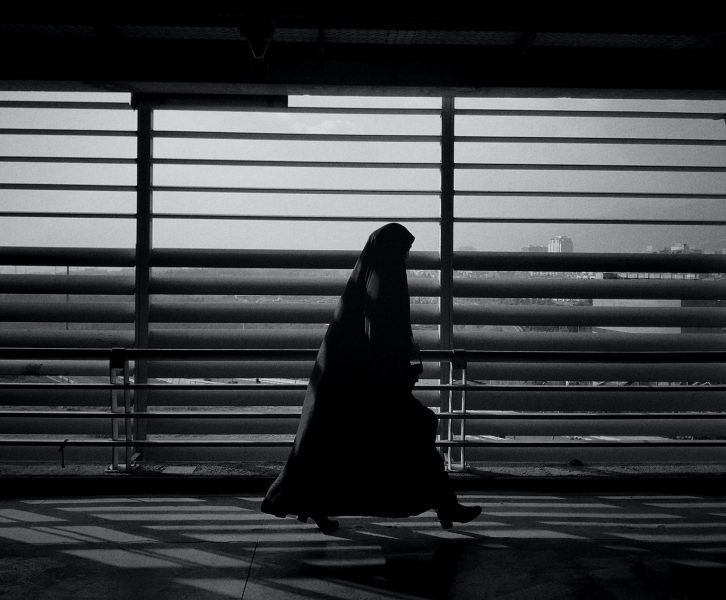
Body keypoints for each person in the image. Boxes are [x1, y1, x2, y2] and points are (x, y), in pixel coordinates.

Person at [261, 223, 480, 532]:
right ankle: (446, 504)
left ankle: (444, 504)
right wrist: (402, 371)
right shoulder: (383, 285)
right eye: (403, 252)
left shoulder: (367, 284)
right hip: (376, 388)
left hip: (354, 388)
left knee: (335, 453)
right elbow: (383, 338)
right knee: (414, 436)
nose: (405, 259)